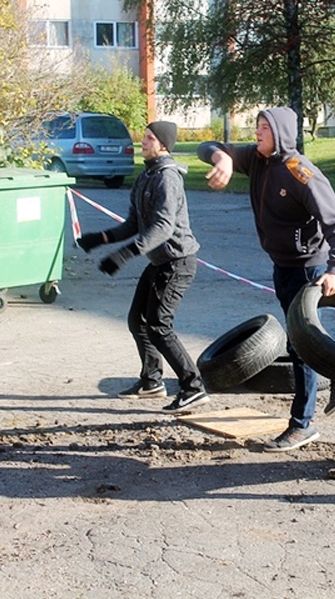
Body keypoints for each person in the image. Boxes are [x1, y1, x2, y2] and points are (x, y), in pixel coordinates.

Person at [197, 106, 335, 452]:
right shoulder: (256, 160)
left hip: (309, 269)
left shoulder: (301, 174)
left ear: (281, 133)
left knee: (300, 346)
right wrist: (221, 159)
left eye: (264, 128)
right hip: (282, 266)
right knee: (308, 340)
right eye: (256, 127)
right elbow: (205, 145)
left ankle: (302, 424)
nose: (257, 133)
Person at [77, 120, 210, 414]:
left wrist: (124, 256)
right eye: (144, 137)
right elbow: (134, 225)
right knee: (137, 320)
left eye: (149, 139)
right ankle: (152, 381)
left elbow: (163, 227)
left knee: (159, 325)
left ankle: (193, 387)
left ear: (163, 145)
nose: (143, 142)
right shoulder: (146, 177)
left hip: (177, 261)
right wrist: (100, 239)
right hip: (160, 262)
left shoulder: (167, 178)